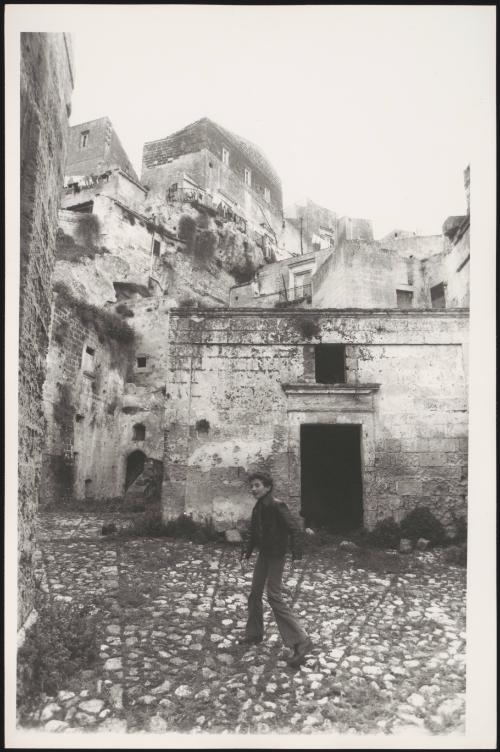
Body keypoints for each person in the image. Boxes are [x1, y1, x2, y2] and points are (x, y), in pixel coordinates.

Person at [239, 471, 313, 668]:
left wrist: (297, 556)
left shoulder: (277, 505)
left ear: (268, 487)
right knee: (254, 593)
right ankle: (254, 634)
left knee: (274, 596)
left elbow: (295, 529)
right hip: (264, 555)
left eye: (257, 485)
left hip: (276, 556)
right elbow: (253, 534)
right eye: (252, 486)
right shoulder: (258, 508)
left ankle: (301, 641)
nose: (253, 489)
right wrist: (245, 555)